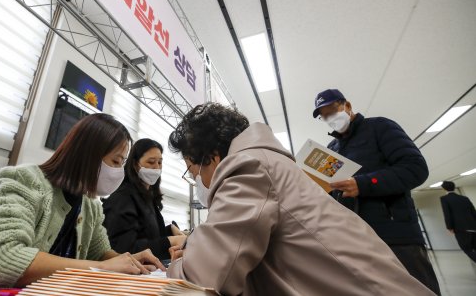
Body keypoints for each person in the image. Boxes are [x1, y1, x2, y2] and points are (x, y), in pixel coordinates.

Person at [166, 103, 434, 296]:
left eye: (193, 171)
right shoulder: (268, 162)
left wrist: (181, 262)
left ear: (213, 157)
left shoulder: (248, 166)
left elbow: (203, 280)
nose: (197, 181)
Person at [0, 114, 164, 291]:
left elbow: (100, 252)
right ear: (88, 154)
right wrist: (101, 267)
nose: (119, 172)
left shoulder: (90, 205)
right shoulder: (24, 181)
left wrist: (131, 260)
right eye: (116, 161)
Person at [312, 88, 440, 294]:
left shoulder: (380, 127)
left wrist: (362, 184)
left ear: (347, 106)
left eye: (332, 111)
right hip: (356, 240)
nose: (329, 118)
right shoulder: (332, 148)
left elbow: (415, 168)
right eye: (324, 116)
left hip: (396, 237)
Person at [102, 138, 186, 260]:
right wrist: (170, 241)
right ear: (136, 165)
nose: (157, 167)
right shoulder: (123, 198)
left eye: (160, 162)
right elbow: (124, 248)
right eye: (151, 162)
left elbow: (149, 233)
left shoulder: (147, 196)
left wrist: (170, 230)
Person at [440, 181, 476, 262]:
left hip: (461, 229)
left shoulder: (444, 199)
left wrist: (449, 227)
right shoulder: (464, 198)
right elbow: (474, 212)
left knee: (467, 249)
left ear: (444, 188)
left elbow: (447, 214)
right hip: (474, 227)